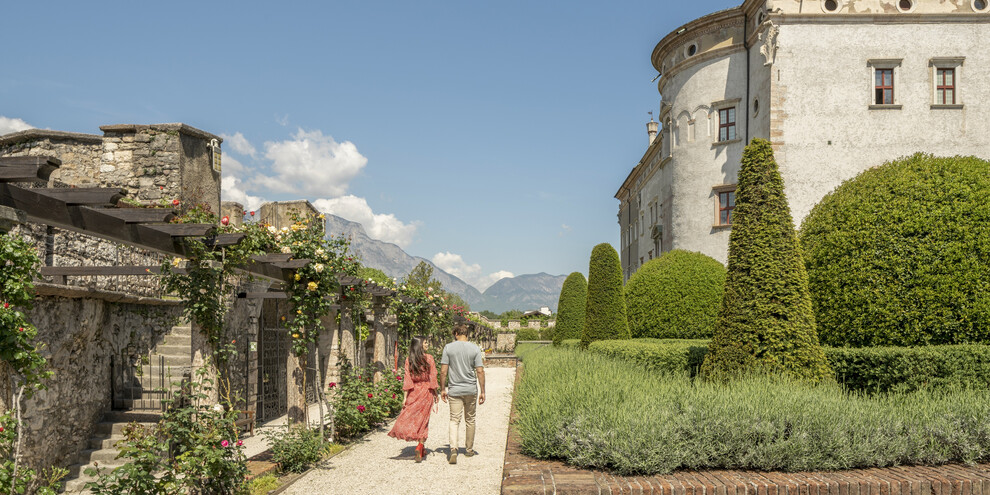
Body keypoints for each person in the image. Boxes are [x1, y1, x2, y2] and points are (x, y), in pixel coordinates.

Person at [439, 323, 485, 464]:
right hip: (470, 389)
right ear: (467, 334)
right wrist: (483, 391)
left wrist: (442, 389)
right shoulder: (475, 348)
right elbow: (480, 371)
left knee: (454, 420)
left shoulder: (448, 348)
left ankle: (453, 449)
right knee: (470, 420)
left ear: (456, 334)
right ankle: (469, 450)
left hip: (455, 389)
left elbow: (443, 371)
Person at [388, 336, 439, 462]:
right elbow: (432, 377)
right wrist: (436, 393)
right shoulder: (429, 358)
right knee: (424, 420)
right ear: (420, 344)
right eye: (426, 342)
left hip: (414, 392)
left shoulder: (409, 360)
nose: (427, 344)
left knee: (412, 418)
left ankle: (421, 447)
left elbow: (407, 379)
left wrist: (405, 398)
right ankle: (420, 445)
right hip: (426, 391)